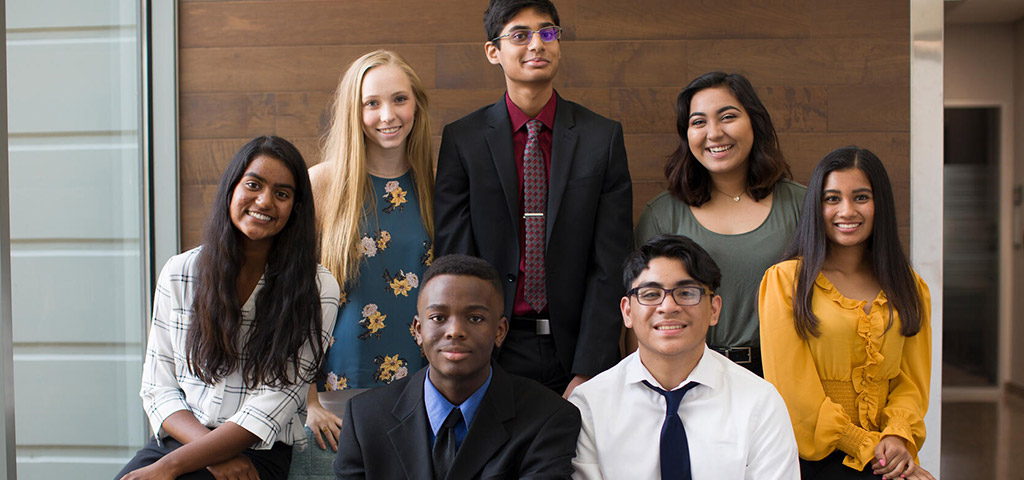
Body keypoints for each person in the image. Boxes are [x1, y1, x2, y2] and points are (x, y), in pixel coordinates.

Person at [434, 0, 633, 397]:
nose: (537, 45)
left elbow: (611, 263)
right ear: (494, 51)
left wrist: (589, 369)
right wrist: (474, 358)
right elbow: (454, 259)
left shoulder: (601, 137)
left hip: (577, 354)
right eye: (520, 35)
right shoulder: (463, 139)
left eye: (547, 32)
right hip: (491, 351)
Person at [116, 136, 340, 480]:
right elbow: (157, 387)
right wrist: (207, 455)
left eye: (282, 194)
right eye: (253, 185)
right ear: (231, 190)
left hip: (258, 452)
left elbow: (275, 401)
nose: (264, 201)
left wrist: (170, 467)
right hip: (181, 437)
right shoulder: (180, 272)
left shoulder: (317, 288)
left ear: (295, 208)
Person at [758, 146, 935, 480]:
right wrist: (869, 448)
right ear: (816, 206)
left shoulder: (910, 287)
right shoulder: (785, 282)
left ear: (879, 204)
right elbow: (794, 395)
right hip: (813, 459)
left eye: (861, 197)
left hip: (887, 454)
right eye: (832, 198)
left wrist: (897, 435)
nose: (847, 210)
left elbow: (913, 384)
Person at [569, 234, 799, 479]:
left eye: (687, 293)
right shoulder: (589, 405)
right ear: (627, 311)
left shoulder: (760, 402)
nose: (668, 307)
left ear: (714, 309)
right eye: (650, 294)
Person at [334, 254, 582, 479]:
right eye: (438, 318)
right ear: (418, 330)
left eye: (475, 318)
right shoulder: (365, 417)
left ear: (500, 331)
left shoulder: (548, 418)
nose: (455, 331)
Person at [634, 71, 805, 376]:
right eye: (698, 122)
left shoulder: (801, 206)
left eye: (727, 117)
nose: (714, 133)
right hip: (689, 375)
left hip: (786, 374)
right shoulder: (662, 215)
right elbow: (640, 320)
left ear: (755, 122)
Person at [305, 50, 435, 451]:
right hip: (337, 387)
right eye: (371, 103)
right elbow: (293, 295)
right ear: (354, 112)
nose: (387, 115)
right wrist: (307, 399)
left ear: (416, 105)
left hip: (422, 386)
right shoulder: (322, 184)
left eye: (399, 99)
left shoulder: (435, 185)